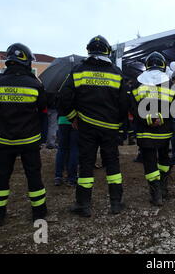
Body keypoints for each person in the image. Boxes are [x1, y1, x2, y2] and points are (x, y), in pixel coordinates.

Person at [59, 35, 128, 217]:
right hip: (110, 128)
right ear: (107, 51)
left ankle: (83, 204)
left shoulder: (78, 70)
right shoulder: (116, 72)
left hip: (86, 126)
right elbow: (124, 103)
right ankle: (115, 203)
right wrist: (119, 124)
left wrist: (74, 117)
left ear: (89, 50)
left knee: (86, 164)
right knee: (112, 164)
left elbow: (63, 97)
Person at [0, 43, 47, 227]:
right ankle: (39, 212)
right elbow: (42, 107)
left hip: (5, 139)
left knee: (2, 177)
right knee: (34, 176)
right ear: (26, 62)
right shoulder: (34, 84)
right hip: (29, 140)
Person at [130, 51, 174, 206]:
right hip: (165, 132)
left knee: (150, 162)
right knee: (164, 159)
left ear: (147, 65)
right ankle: (163, 189)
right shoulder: (170, 83)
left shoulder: (137, 83)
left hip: (145, 132)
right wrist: (161, 117)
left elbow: (133, 108)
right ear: (163, 65)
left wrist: (147, 118)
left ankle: (156, 196)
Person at [54, 114, 79, 186]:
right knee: (74, 149)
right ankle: (72, 178)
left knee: (61, 149)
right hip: (75, 121)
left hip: (62, 120)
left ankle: (58, 176)